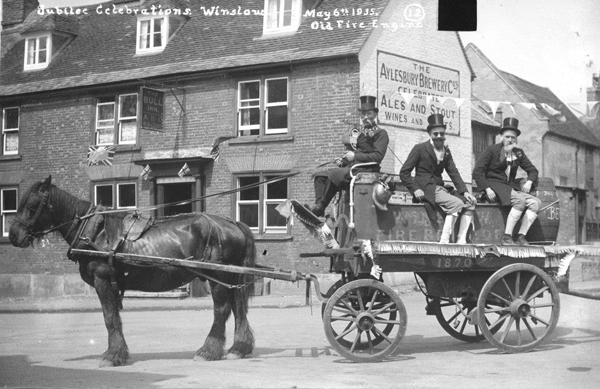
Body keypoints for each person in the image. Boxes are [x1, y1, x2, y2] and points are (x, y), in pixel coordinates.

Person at [399, 114, 477, 244]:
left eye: (442, 133)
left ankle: (461, 239)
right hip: (426, 189)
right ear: (430, 134)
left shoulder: (446, 151)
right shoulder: (419, 149)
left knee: (470, 203)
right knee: (456, 204)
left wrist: (465, 192)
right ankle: (444, 240)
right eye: (436, 134)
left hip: (440, 188)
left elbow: (454, 173)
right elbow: (404, 172)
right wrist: (415, 189)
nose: (439, 136)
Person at [309, 95, 389, 217]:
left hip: (368, 169)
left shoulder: (381, 134)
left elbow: (377, 156)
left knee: (335, 174)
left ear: (375, 115)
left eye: (369, 114)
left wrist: (354, 156)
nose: (365, 117)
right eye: (363, 115)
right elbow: (358, 154)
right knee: (320, 176)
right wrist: (344, 161)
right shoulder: (361, 134)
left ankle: (321, 206)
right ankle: (319, 207)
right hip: (355, 167)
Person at [472, 117, 542, 245]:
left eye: (513, 137)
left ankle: (521, 236)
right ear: (501, 136)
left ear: (516, 139)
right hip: (494, 185)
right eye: (507, 136)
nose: (510, 140)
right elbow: (477, 171)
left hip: (509, 187)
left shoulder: (518, 153)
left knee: (536, 203)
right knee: (520, 201)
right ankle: (507, 237)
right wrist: (487, 189)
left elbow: (533, 170)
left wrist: (529, 182)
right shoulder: (491, 150)